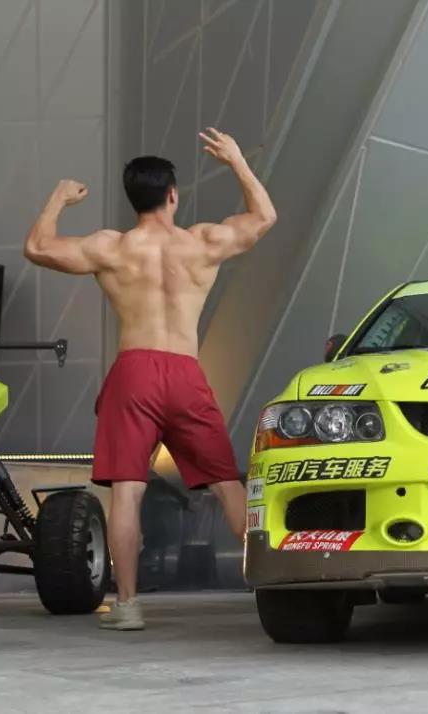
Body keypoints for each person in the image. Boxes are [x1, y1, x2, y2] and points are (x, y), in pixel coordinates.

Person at [24, 128, 277, 630]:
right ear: (172, 195)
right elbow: (264, 217)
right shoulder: (202, 242)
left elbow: (37, 247)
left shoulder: (111, 248)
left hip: (134, 372)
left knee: (127, 491)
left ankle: (128, 606)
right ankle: (276, 590)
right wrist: (236, 161)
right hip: (185, 371)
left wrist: (59, 197)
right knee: (227, 486)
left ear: (132, 198)